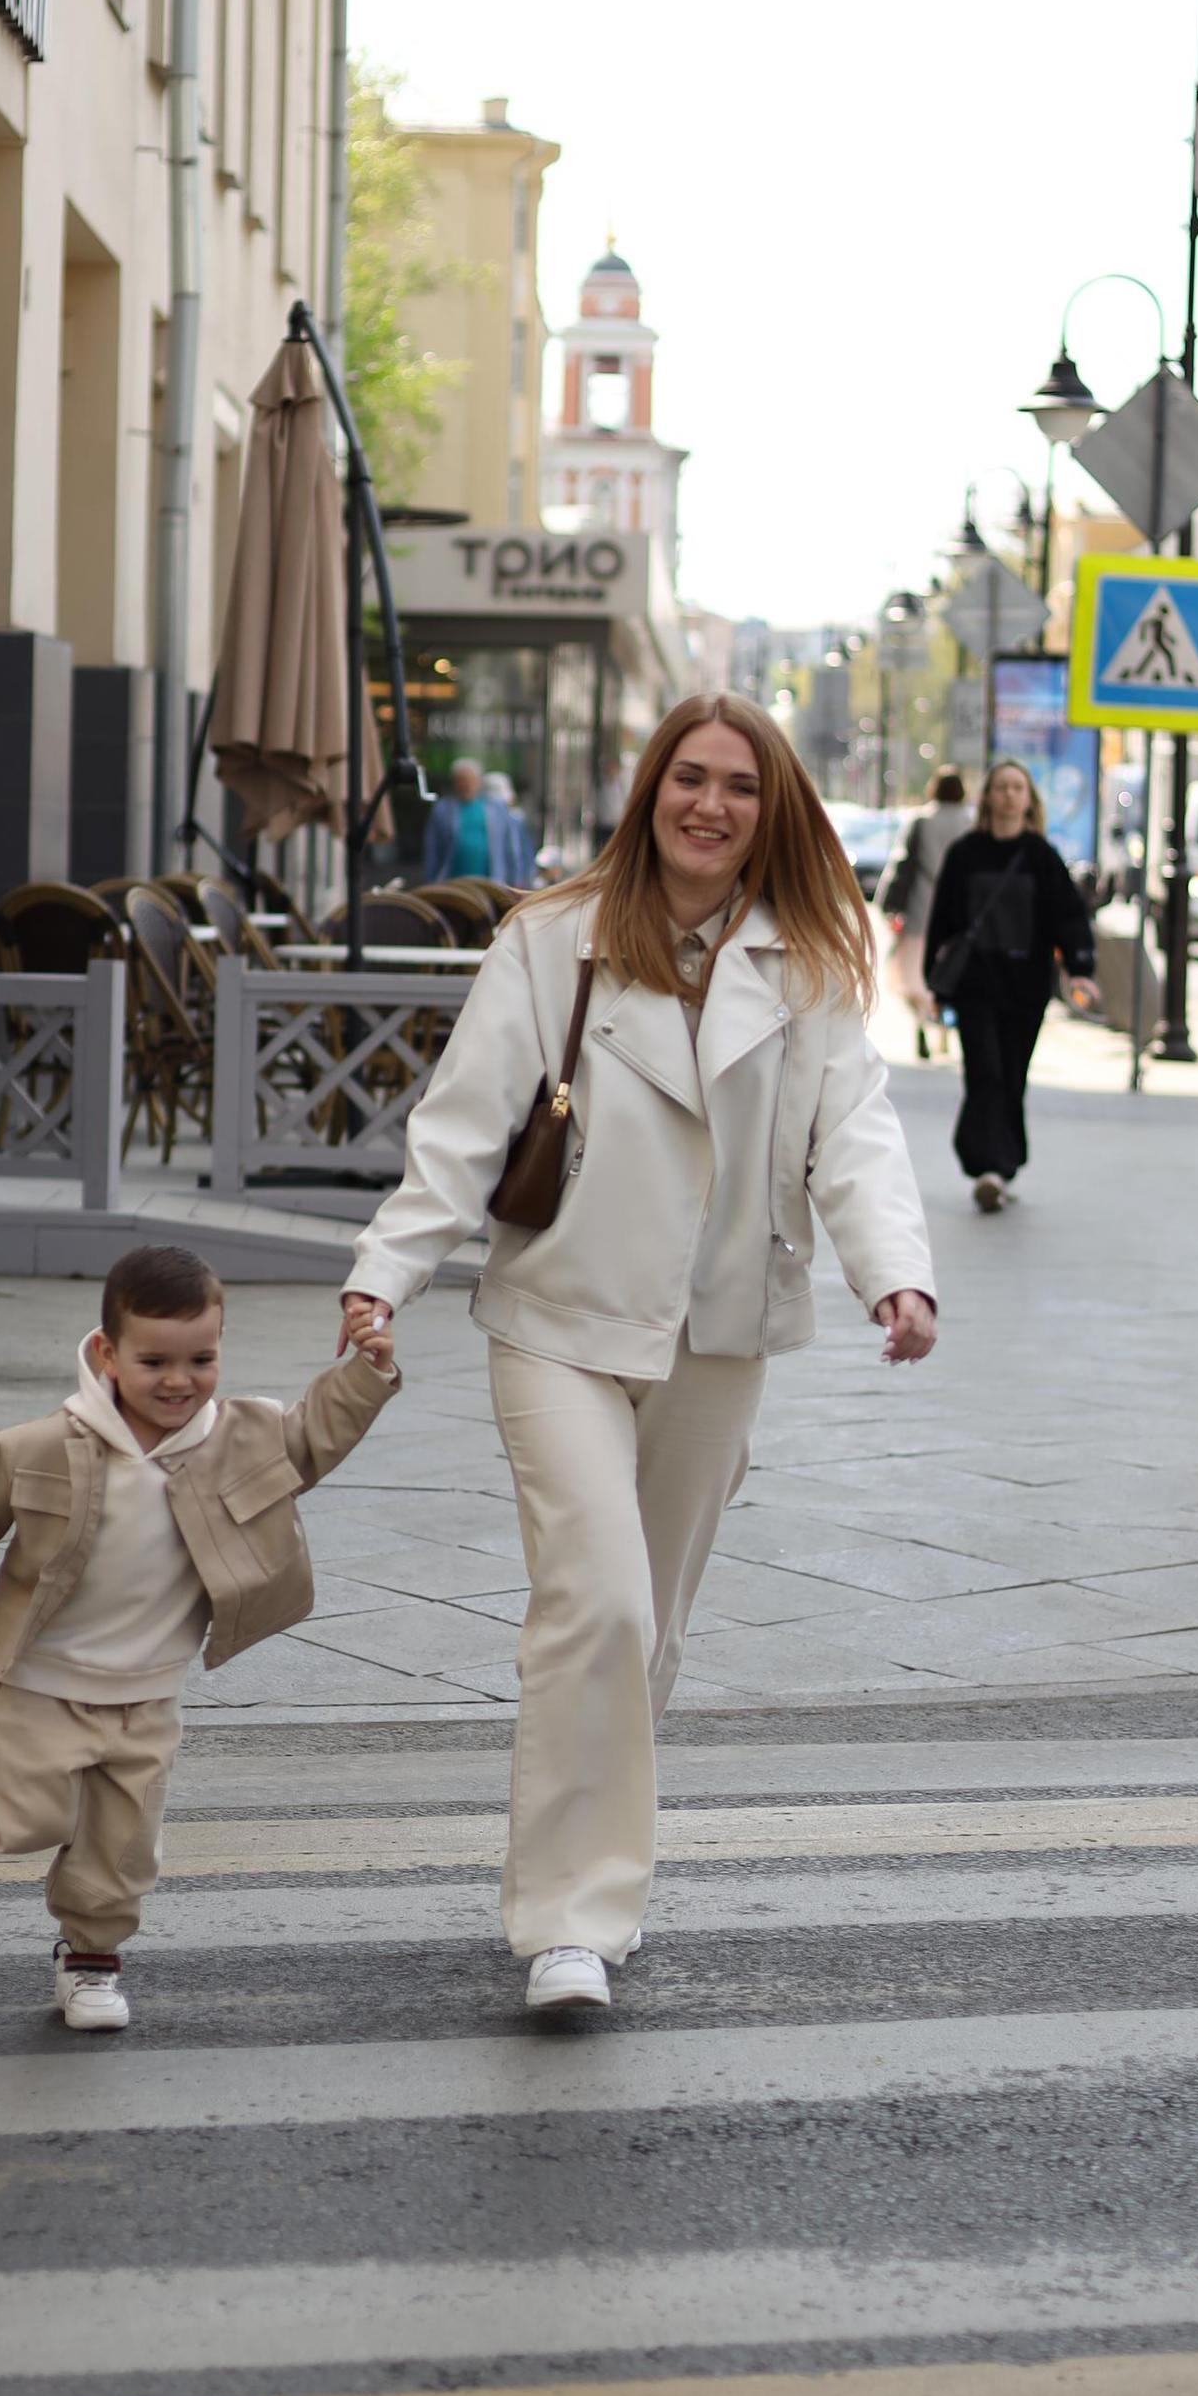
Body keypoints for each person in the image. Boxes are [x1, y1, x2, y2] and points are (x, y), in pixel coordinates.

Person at [337, 692, 935, 2019]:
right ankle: (568, 1922)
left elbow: (860, 1130)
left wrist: (894, 1273)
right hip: (558, 1315)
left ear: (770, 811)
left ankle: (591, 1867)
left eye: (738, 786)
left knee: (643, 1628)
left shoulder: (812, 963)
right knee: (596, 1607)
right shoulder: (554, 940)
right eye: (688, 779)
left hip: (718, 1332)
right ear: (648, 791)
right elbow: (464, 1122)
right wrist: (387, 1274)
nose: (710, 806)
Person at [0, 1243, 398, 2029]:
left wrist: (368, 1371)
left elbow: (315, 1435)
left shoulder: (239, 1437)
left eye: (202, 1359)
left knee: (122, 1846)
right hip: (44, 1679)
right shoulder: (47, 1445)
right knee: (27, 1823)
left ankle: (90, 1960)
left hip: (149, 1691)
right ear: (108, 1353)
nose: (180, 1381)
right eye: (155, 1361)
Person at [921, 755, 1100, 1213]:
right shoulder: (966, 853)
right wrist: (934, 984)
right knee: (985, 1071)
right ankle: (988, 1168)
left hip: (1025, 988)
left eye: (1017, 788)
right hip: (976, 986)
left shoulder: (1041, 857)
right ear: (988, 797)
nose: (1008, 795)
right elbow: (943, 921)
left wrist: (1080, 969)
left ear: (1029, 800)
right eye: (1001, 786)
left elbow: (1068, 917)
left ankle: (1005, 1161)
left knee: (1012, 1076)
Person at [878, 768, 970, 1003]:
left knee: (916, 974)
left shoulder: (920, 821)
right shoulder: (971, 823)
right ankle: (942, 1023)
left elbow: (903, 864)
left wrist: (889, 903)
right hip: (960, 912)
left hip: (921, 907)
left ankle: (922, 1019)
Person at [422, 755, 538, 889]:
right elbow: (432, 848)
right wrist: (431, 882)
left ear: (478, 781)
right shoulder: (443, 809)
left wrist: (516, 879)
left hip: (490, 883)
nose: (465, 785)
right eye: (461, 780)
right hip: (452, 882)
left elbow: (511, 846)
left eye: (469, 780)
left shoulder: (496, 808)